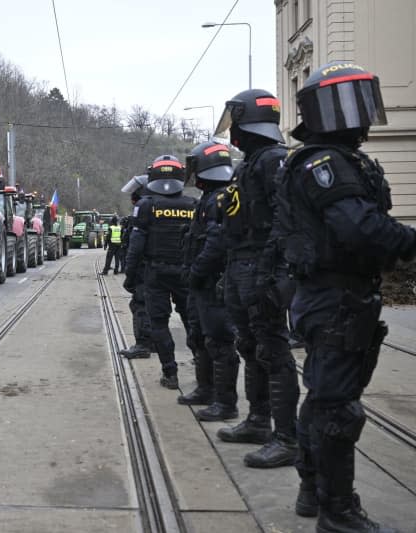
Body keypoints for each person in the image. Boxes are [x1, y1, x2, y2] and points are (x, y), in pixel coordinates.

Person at [278, 62, 415, 532]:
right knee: (337, 407)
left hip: (338, 297)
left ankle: (312, 490)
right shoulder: (324, 164)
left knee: (325, 398)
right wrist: (409, 242)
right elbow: (358, 228)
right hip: (333, 297)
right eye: (343, 101)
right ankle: (337, 511)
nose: (355, 113)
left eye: (360, 98)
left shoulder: (341, 159)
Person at [211, 88, 299, 469]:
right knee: (249, 345)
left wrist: (273, 273)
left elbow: (286, 221)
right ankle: (259, 420)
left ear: (250, 123)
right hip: (241, 264)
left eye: (237, 122)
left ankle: (287, 437)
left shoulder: (274, 161)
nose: (233, 132)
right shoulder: (252, 163)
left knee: (273, 351)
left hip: (261, 265)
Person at [123, 155, 197, 389]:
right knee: (192, 320)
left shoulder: (146, 205)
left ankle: (170, 373)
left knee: (159, 323)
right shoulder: (193, 205)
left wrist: (130, 275)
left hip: (156, 274)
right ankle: (203, 367)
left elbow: (136, 244)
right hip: (186, 274)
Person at [179, 141, 240, 417]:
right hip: (202, 284)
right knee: (200, 336)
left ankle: (225, 402)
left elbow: (216, 243)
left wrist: (197, 271)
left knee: (219, 340)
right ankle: (206, 388)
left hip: (213, 282)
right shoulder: (210, 198)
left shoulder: (219, 199)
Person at [119, 177, 154, 358]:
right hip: (171, 268)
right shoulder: (175, 206)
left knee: (140, 304)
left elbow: (135, 247)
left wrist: (129, 274)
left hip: (145, 269)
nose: (133, 198)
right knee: (159, 307)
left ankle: (143, 345)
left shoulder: (143, 211)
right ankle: (156, 343)